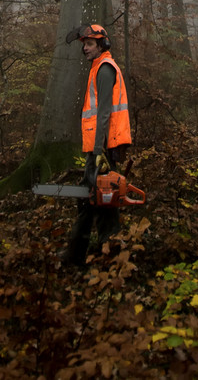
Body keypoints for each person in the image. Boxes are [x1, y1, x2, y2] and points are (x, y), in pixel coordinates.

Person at [60, 22, 132, 266]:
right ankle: (101, 252)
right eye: (85, 45)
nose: (86, 49)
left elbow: (103, 113)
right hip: (100, 146)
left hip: (102, 148)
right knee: (99, 199)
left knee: (98, 198)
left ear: (102, 45)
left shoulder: (104, 69)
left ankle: (94, 254)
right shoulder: (99, 67)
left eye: (90, 44)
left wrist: (99, 152)